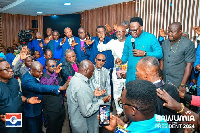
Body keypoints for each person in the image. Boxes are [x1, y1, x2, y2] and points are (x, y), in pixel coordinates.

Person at [100, 80, 170, 133]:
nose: (122, 107)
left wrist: (115, 130)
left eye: (122, 103)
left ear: (133, 110)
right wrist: (123, 125)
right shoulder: (162, 120)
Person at [21, 61, 69, 133]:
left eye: (41, 71)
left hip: (38, 109)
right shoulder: (27, 81)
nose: (41, 73)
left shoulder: (34, 74)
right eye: (39, 72)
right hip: (31, 111)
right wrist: (60, 88)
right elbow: (41, 87)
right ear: (31, 70)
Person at [136, 56, 180, 132]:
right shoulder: (173, 89)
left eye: (137, 71)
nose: (135, 73)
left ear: (145, 75)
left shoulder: (145, 95)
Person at [66, 60, 111, 133]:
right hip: (84, 127)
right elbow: (87, 112)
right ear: (86, 70)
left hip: (76, 122)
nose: (92, 74)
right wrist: (102, 101)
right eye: (92, 71)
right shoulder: (82, 86)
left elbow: (79, 98)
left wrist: (92, 94)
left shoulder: (74, 79)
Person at [116, 17, 163, 83]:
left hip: (145, 78)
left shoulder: (150, 37)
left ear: (141, 27)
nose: (132, 33)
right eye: (130, 30)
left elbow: (159, 54)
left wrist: (145, 53)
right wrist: (121, 61)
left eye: (135, 30)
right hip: (131, 76)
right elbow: (125, 56)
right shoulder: (128, 39)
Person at [0, 60, 41, 133]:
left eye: (10, 68)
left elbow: (18, 95)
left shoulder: (14, 81)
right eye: (7, 69)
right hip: (5, 122)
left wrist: (27, 100)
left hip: (18, 117)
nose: (10, 70)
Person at [98, 25, 127, 116]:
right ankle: (119, 111)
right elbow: (101, 48)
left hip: (129, 69)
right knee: (117, 91)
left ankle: (128, 112)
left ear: (125, 32)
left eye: (121, 31)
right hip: (118, 69)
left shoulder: (130, 41)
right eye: (117, 32)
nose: (119, 33)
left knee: (128, 92)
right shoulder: (113, 42)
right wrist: (101, 40)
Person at [160, 22, 196, 90]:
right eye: (169, 32)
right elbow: (162, 60)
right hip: (165, 80)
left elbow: (189, 65)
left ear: (180, 32)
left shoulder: (188, 44)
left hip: (178, 82)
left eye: (173, 32)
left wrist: (183, 84)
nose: (170, 34)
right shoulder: (165, 43)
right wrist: (160, 75)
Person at [40, 59, 67, 133]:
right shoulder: (43, 78)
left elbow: (60, 86)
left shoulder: (57, 75)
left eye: (55, 65)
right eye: (52, 66)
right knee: (51, 130)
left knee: (59, 128)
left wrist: (64, 92)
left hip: (60, 108)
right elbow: (48, 86)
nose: (54, 67)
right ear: (46, 67)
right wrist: (55, 74)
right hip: (50, 110)